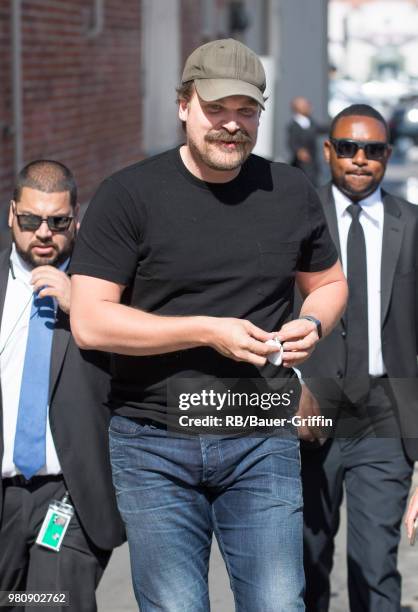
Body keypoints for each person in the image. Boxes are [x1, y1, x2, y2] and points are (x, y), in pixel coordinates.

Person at [69, 38, 347, 612]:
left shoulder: (290, 190)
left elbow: (330, 284)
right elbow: (91, 321)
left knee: (277, 605)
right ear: (182, 106)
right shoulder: (128, 195)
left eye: (246, 111)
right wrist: (204, 330)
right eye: (216, 108)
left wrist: (314, 322)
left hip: (260, 432)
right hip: (152, 442)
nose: (232, 125)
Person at [298, 104, 418, 612]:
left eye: (372, 150)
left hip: (385, 414)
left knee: (375, 569)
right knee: (304, 563)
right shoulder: (297, 221)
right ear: (329, 151)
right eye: (348, 147)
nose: (360, 159)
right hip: (308, 413)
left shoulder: (411, 225)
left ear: (388, 156)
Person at [0, 160, 125, 612]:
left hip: (68, 497)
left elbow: (140, 368)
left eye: (57, 221)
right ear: (13, 214)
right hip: (4, 497)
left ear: (75, 219)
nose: (43, 233)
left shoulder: (105, 292)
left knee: (50, 603)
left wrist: (83, 307)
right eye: (31, 220)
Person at [287, 96, 324, 186]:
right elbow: (292, 142)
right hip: (301, 163)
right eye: (305, 105)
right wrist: (299, 151)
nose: (309, 107)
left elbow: (322, 129)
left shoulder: (311, 122)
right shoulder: (294, 125)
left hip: (313, 161)